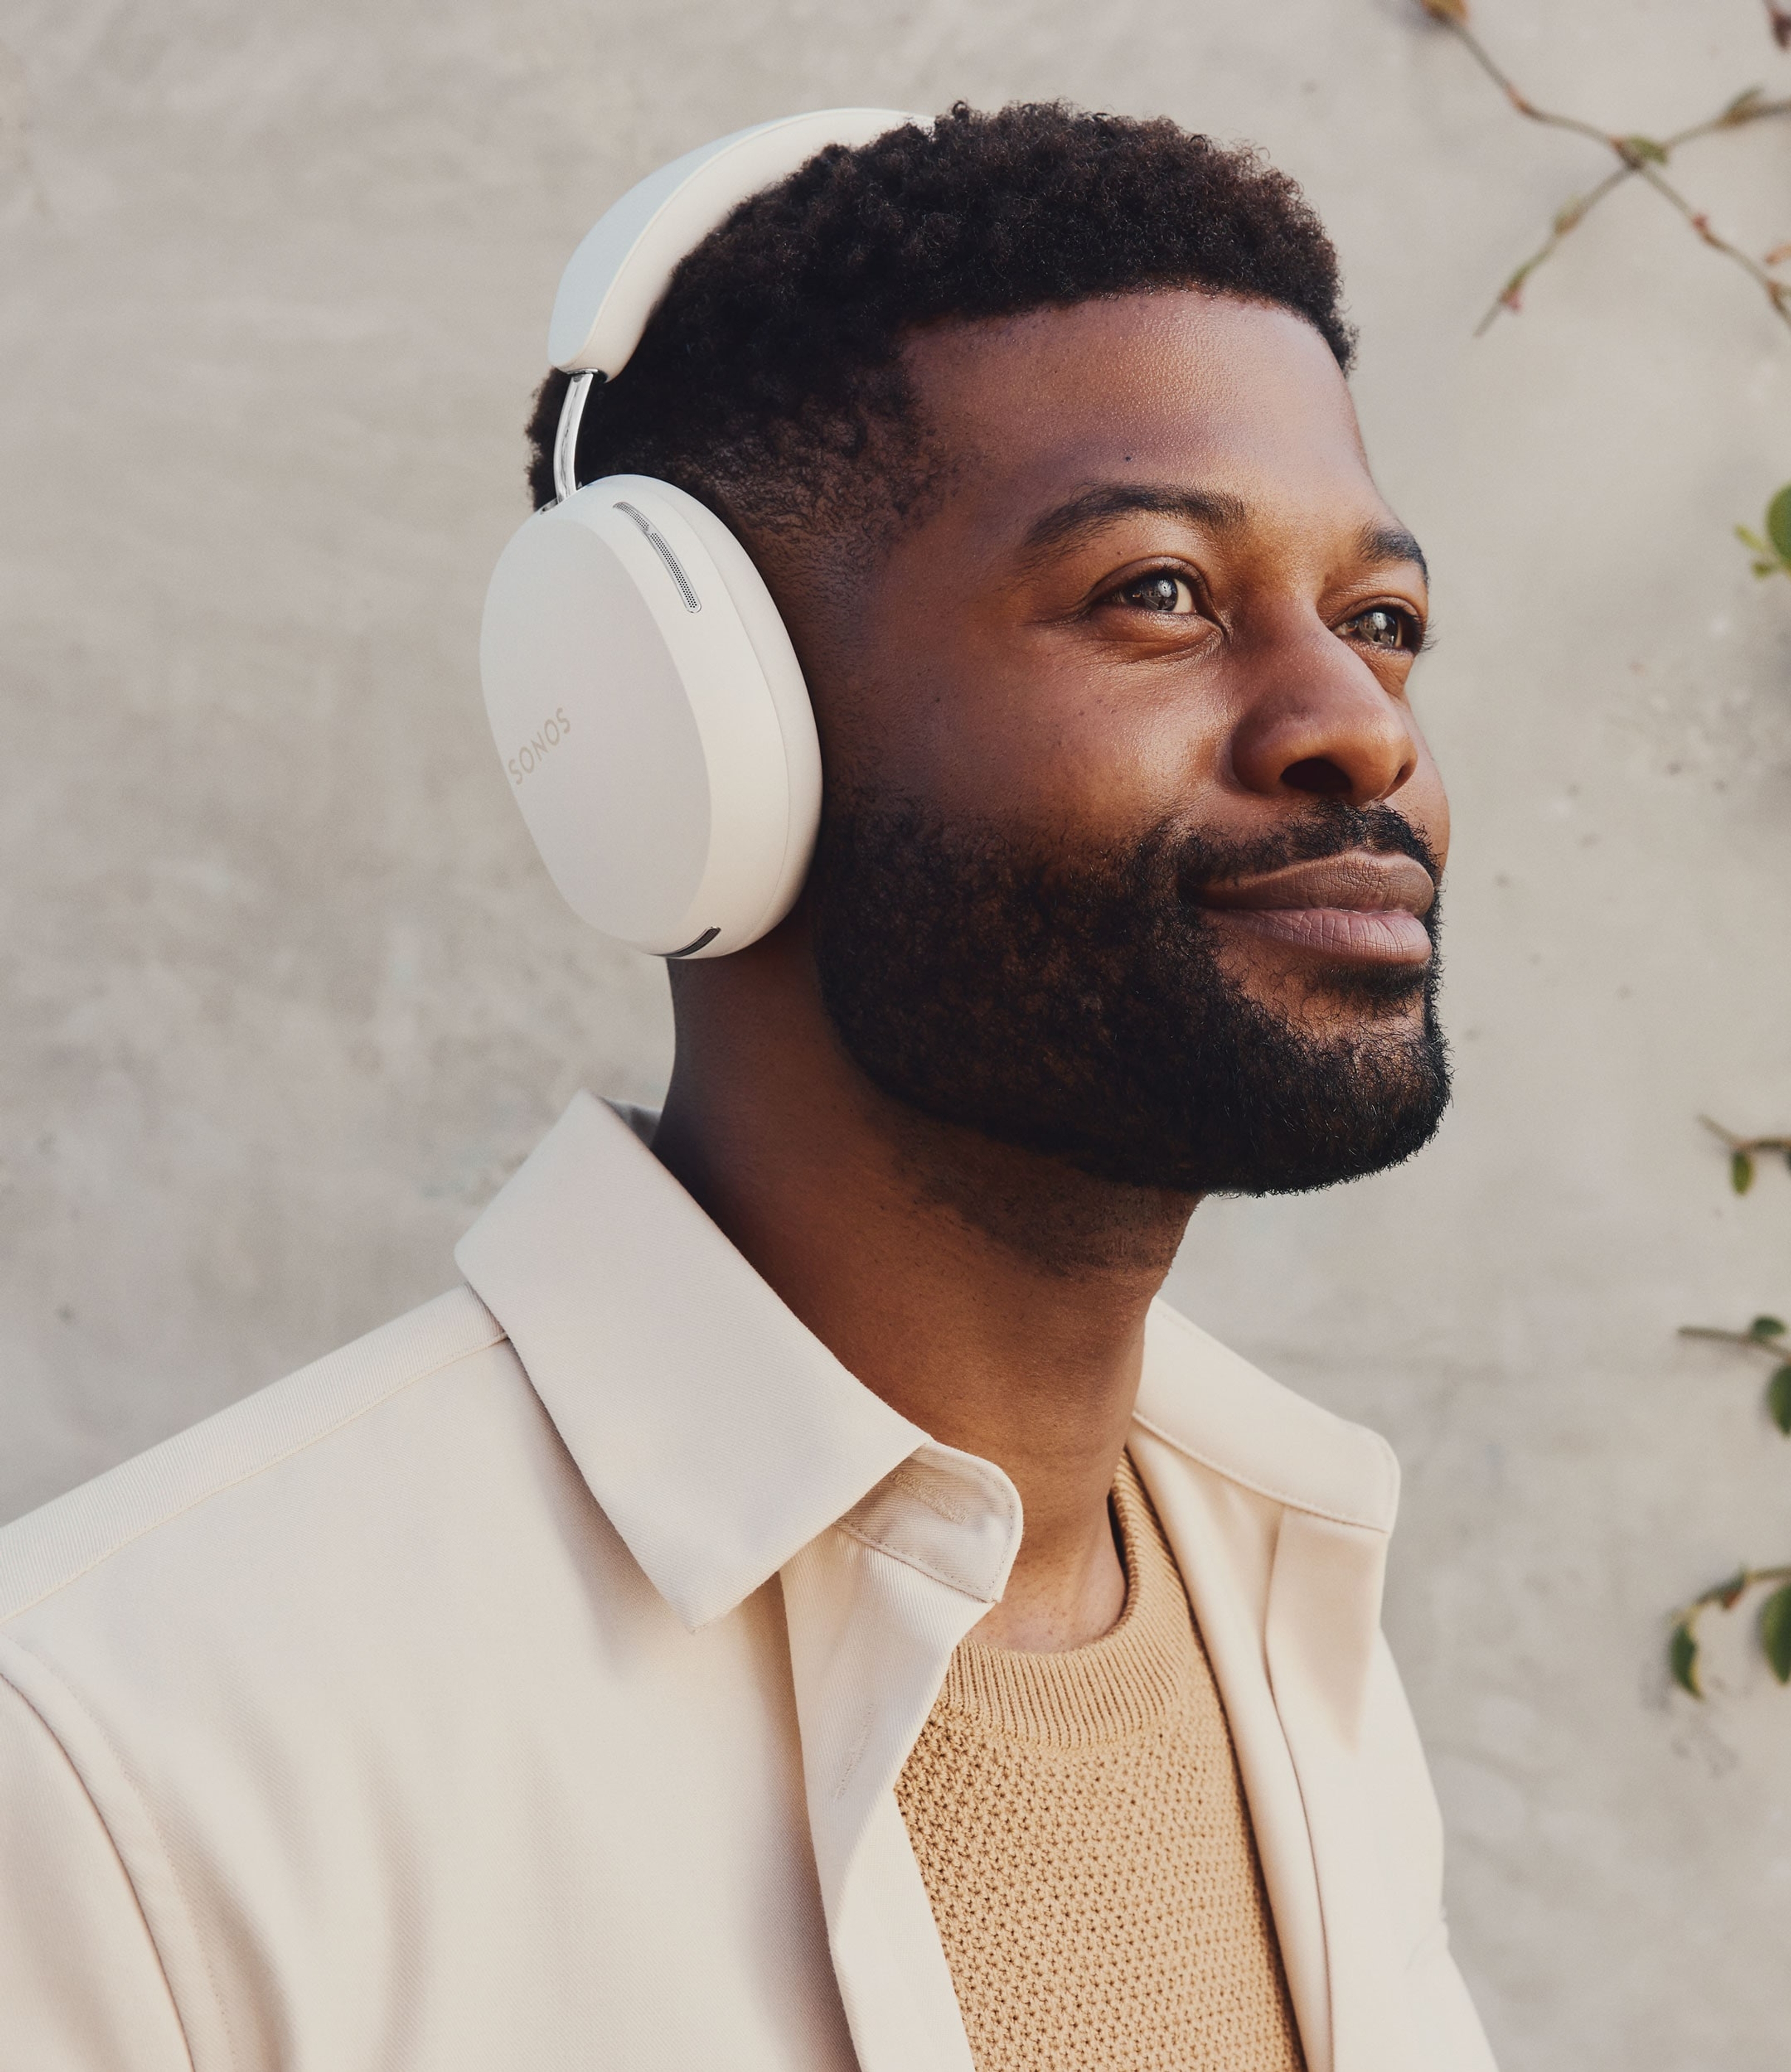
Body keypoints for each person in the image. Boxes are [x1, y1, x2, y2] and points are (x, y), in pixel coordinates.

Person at [0, 102, 1494, 2072]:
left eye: (1380, 621)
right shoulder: (120, 1754)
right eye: (1158, 593)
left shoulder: (1288, 1615)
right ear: (701, 736)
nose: (1354, 727)